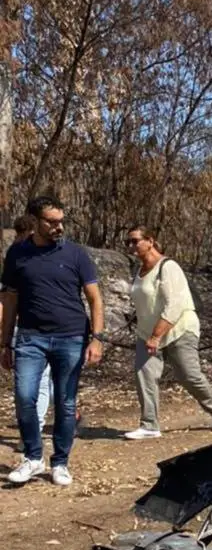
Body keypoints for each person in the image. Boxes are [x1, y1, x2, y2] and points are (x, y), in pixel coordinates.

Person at [0, 194, 104, 486]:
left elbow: (95, 299)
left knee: (66, 402)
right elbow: (10, 299)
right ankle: (33, 457)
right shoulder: (17, 254)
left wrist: (96, 338)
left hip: (71, 336)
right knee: (24, 397)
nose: (59, 227)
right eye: (52, 222)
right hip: (30, 338)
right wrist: (5, 342)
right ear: (34, 221)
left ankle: (60, 462)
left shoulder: (76, 254)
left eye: (61, 221)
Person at [122, 226, 212, 440]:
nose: (131, 246)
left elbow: (175, 305)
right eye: (128, 242)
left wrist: (156, 336)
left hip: (179, 329)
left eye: (135, 241)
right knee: (145, 375)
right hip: (147, 332)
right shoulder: (138, 271)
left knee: (188, 375)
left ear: (150, 241)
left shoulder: (168, 267)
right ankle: (149, 424)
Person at [8, 216, 52, 432]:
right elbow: (8, 294)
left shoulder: (49, 253)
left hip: (41, 328)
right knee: (34, 381)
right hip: (23, 327)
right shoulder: (16, 255)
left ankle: (36, 426)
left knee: (40, 381)